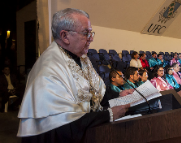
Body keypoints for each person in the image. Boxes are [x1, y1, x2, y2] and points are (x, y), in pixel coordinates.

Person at [17, 8, 133, 142]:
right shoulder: (49, 71)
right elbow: (64, 126)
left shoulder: (81, 58)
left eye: (91, 33)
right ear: (65, 36)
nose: (91, 39)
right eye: (86, 33)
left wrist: (118, 96)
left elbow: (94, 94)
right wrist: (109, 115)